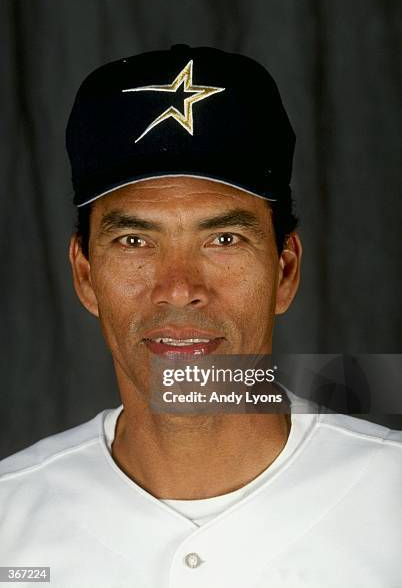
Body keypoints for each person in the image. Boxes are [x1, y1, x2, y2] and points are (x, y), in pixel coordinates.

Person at [0, 45, 400, 588]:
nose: (179, 289)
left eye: (223, 238)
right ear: (85, 274)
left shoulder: (389, 502)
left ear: (285, 270)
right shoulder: (11, 517)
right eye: (135, 239)